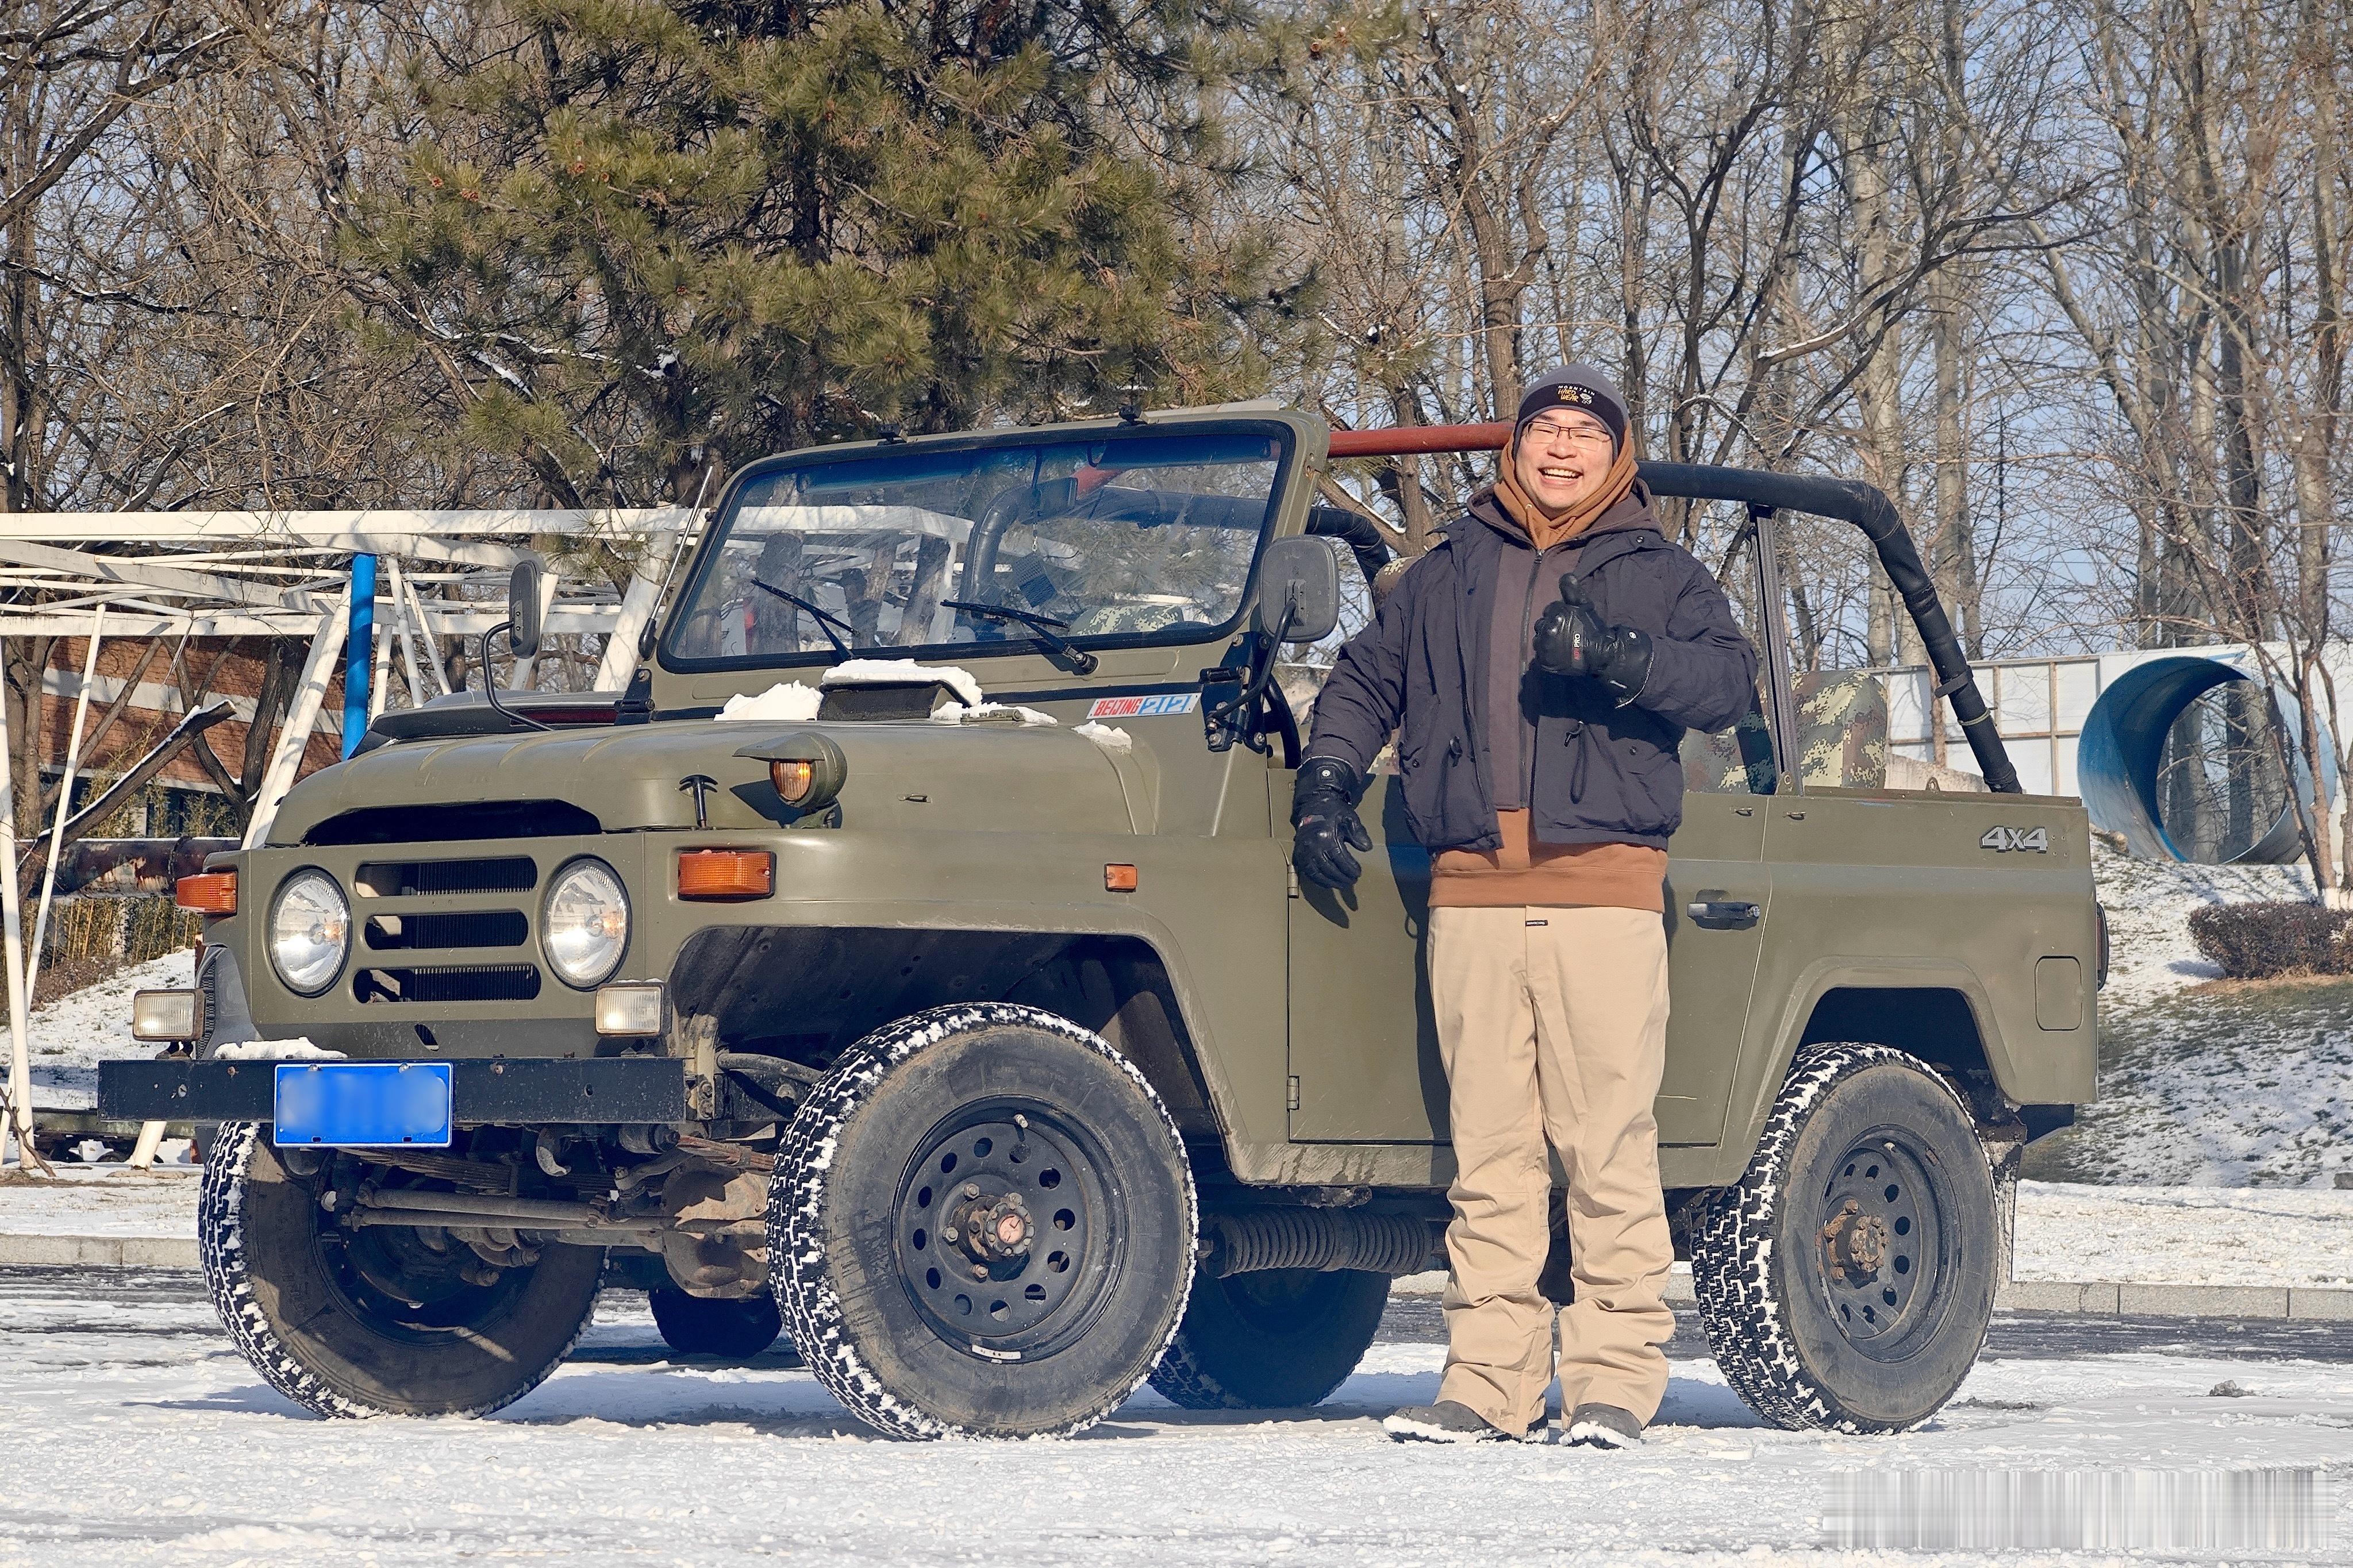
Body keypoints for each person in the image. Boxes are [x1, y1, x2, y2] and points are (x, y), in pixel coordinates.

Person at [1294, 365, 1757, 1448]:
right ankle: (1487, 1382)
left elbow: (1726, 684)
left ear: (1616, 455)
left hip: (1601, 892)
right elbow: (1366, 679)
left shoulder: (1660, 572)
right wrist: (1325, 778)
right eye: (1543, 431)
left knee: (1605, 1148)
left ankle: (1612, 1380)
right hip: (1470, 894)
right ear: (1515, 449)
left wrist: (1619, 656)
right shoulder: (1449, 568)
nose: (1560, 450)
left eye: (1582, 436)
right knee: (1490, 1154)